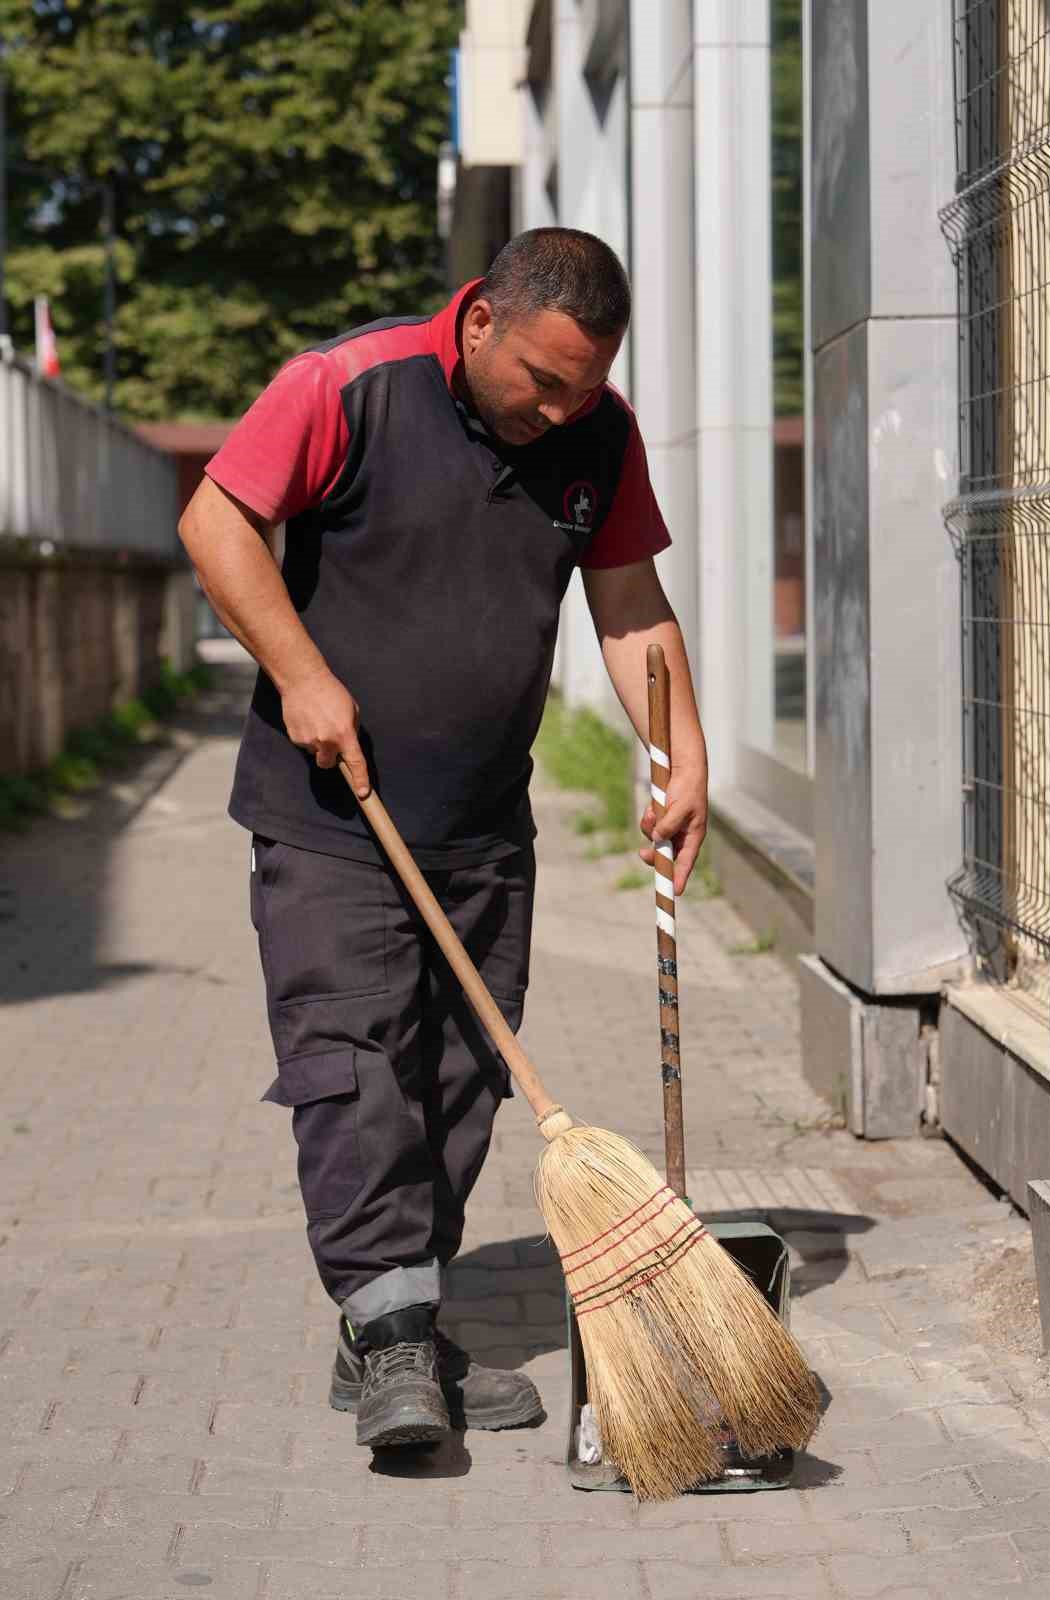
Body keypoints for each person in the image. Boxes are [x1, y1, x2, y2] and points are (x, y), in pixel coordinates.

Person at [178, 227, 708, 1452]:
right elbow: (217, 522)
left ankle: (387, 1321)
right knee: (358, 1070)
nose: (562, 408)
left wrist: (683, 761)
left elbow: (627, 601)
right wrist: (301, 674)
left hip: (481, 824)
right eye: (543, 380)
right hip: (330, 815)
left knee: (460, 1079)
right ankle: (400, 1344)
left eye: (586, 384)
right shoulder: (347, 386)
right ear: (480, 324)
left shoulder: (599, 432)